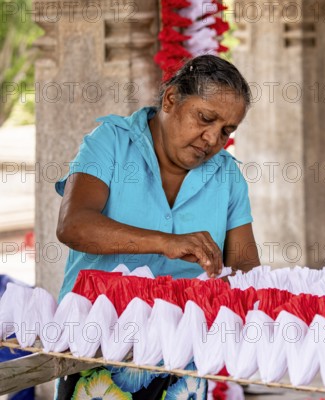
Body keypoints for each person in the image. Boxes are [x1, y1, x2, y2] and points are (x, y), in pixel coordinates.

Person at [53, 55, 260, 399]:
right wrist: (165, 242)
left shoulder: (227, 175)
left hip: (184, 357)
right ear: (171, 100)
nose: (212, 138)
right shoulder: (111, 143)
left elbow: (246, 267)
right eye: (205, 118)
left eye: (226, 130)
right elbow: (73, 225)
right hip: (98, 346)